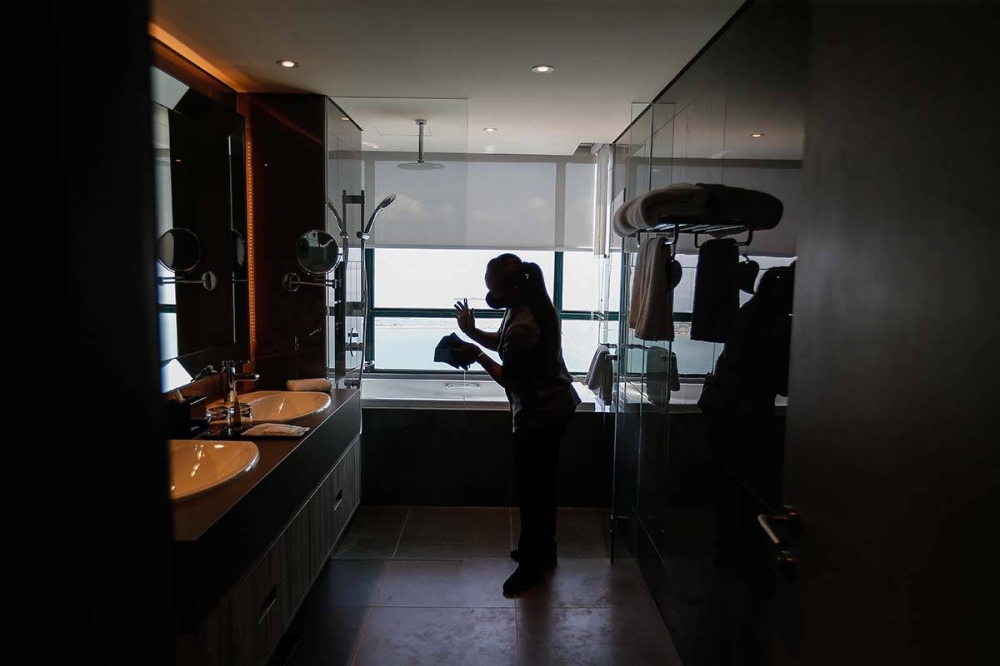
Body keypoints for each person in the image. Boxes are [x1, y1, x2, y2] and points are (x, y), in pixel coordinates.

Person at [452, 253, 580, 596]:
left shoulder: (525, 324)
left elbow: (511, 379)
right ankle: (543, 550)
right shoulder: (525, 305)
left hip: (542, 412)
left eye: (494, 289)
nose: (489, 296)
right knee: (541, 484)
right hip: (553, 405)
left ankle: (532, 566)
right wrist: (472, 332)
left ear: (511, 290)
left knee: (533, 489)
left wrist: (476, 354)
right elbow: (502, 341)